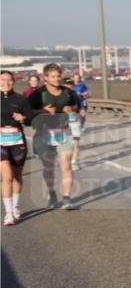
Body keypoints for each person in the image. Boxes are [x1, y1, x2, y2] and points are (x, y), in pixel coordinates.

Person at [26, 64, 81, 209]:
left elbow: (78, 107)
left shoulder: (68, 93)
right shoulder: (37, 94)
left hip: (63, 132)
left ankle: (67, 198)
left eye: (58, 76)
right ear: (45, 78)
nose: (57, 79)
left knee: (66, 165)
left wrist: (71, 109)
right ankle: (52, 194)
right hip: (44, 134)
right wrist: (41, 112)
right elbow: (27, 115)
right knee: (48, 168)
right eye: (53, 76)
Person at [1, 71, 29, 225]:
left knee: (17, 177)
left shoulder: (21, 99)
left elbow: (30, 120)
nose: (6, 82)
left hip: (17, 143)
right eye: (3, 79)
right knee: (7, 177)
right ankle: (8, 213)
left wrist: (23, 118)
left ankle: (16, 205)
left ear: (13, 81)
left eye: (9, 80)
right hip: (1, 143)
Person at [69, 73, 91, 170]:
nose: (76, 79)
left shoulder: (82, 85)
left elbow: (88, 94)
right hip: (68, 115)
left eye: (78, 78)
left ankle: (73, 161)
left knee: (76, 140)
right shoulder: (69, 87)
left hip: (80, 106)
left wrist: (81, 95)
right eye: (75, 77)